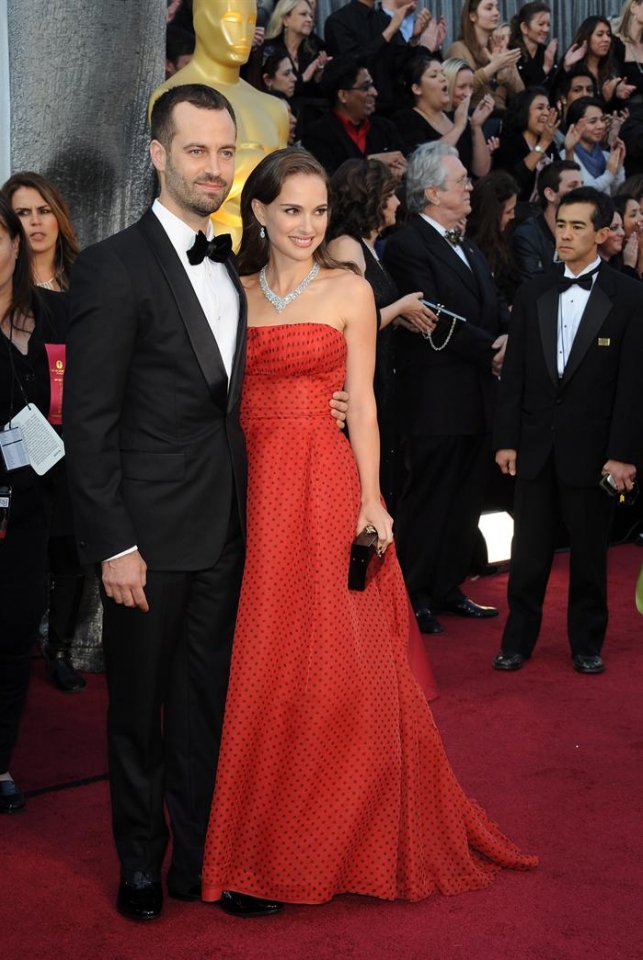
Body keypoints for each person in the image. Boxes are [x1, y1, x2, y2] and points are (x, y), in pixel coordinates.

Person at [200, 146, 537, 908]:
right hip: (251, 490)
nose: (305, 225)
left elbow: (365, 405)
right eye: (290, 209)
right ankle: (259, 837)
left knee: (330, 659)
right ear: (257, 211)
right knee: (262, 661)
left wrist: (372, 501)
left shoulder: (348, 289)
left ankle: (326, 837)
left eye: (318, 211)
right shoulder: (232, 292)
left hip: (323, 487)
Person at [63, 83, 348, 923]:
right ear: (157, 155)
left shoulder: (233, 263)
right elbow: (90, 423)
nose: (213, 168)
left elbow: (249, 387)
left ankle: (202, 860)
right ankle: (140, 864)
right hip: (146, 543)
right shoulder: (112, 267)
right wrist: (113, 544)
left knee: (208, 706)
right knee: (139, 713)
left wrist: (326, 402)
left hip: (232, 529)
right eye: (195, 151)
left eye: (226, 153)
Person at [492, 186, 643, 674]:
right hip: (535, 445)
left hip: (594, 450)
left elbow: (633, 385)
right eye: (561, 224)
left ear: (602, 234)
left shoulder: (629, 296)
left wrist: (622, 454)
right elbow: (515, 372)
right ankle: (517, 641)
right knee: (527, 553)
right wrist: (507, 439)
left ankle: (586, 644)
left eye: (578, 226)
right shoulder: (534, 288)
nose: (566, 234)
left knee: (590, 556)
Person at [382, 143, 509, 636]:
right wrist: (491, 349)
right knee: (430, 500)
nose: (470, 187)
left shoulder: (469, 243)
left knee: (465, 500)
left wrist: (506, 338)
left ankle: (448, 586)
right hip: (434, 402)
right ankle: (412, 593)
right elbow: (430, 317)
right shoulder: (408, 245)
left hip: (476, 399)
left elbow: (492, 303)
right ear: (432, 192)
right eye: (461, 182)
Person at [2, 172, 86, 694]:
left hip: (76, 434)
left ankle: (59, 648)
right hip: (20, 444)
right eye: (22, 214)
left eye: (41, 210)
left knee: (72, 548)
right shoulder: (11, 296)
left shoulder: (89, 279)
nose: (34, 221)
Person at [0, 196, 69, 812]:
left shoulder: (50, 316)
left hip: (30, 507)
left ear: (17, 244)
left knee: (16, 634)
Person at [327, 158, 434, 508]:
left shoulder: (366, 246)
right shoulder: (346, 246)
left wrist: (398, 316)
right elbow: (348, 323)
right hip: (360, 385)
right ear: (371, 198)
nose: (398, 203)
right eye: (391, 194)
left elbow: (370, 314)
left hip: (380, 380)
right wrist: (400, 307)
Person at [301, 57, 406, 177]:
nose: (374, 92)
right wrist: (370, 162)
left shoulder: (386, 128)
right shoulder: (317, 134)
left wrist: (401, 171)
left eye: (372, 85)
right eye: (365, 87)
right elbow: (328, 179)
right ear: (343, 95)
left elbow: (404, 166)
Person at [393, 55, 494, 176]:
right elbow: (424, 164)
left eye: (443, 74)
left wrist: (476, 126)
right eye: (434, 75)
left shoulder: (455, 117)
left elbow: (481, 171)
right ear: (417, 89)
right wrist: (458, 127)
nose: (443, 79)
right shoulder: (406, 119)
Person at [2, 172, 79, 292]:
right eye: (23, 213)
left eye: (44, 211)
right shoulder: (4, 285)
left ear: (59, 217)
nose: (36, 221)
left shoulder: (86, 275)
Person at [445, 0, 524, 114]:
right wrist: (494, 66)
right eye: (489, 8)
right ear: (472, 16)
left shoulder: (499, 48)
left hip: (500, 118)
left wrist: (504, 73)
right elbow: (456, 91)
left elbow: (521, 94)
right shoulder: (458, 48)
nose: (496, 13)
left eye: (497, 8)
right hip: (469, 119)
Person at [511, 159, 583, 281]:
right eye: (573, 186)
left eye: (582, 185)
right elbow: (535, 288)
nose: (582, 192)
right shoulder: (527, 236)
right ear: (550, 194)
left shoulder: (584, 231)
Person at [492, 86, 559, 206]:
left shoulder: (549, 142)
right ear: (524, 111)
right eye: (540, 108)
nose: (546, 112)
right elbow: (513, 184)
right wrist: (543, 144)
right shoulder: (508, 142)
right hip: (520, 212)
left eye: (548, 108)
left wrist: (569, 150)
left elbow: (561, 177)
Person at [466, 170, 521, 305]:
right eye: (508, 211)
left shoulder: (508, 235)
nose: (513, 216)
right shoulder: (472, 246)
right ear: (493, 213)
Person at [562, 97, 626, 194]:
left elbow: (617, 193)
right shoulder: (566, 155)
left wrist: (619, 166)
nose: (601, 126)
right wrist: (609, 174)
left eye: (602, 120)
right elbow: (578, 193)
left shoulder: (606, 156)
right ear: (574, 126)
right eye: (593, 122)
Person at [508, 2, 557, 90]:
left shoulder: (547, 52)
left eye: (548, 25)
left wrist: (566, 65)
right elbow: (524, 91)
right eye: (541, 24)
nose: (546, 29)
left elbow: (556, 86)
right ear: (524, 28)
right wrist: (545, 68)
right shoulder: (511, 53)